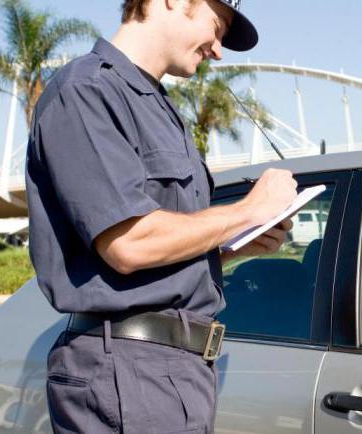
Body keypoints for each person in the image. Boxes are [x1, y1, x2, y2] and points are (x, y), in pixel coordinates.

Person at [26, 1, 297, 432]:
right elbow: (128, 244)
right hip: (129, 371)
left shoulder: (158, 107)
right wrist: (249, 209)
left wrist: (228, 246)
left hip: (168, 371)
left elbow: (153, 252)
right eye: (217, 26)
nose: (219, 50)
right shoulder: (87, 91)